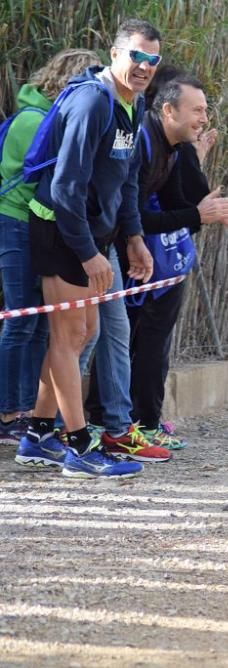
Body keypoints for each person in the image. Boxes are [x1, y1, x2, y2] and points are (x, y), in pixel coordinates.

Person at [16, 19, 159, 478]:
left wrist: (133, 238)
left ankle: (38, 435)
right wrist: (87, 252)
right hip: (60, 231)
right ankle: (77, 446)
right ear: (116, 53)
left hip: (93, 236)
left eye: (152, 60)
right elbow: (65, 188)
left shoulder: (131, 105)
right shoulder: (92, 101)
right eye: (136, 56)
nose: (144, 67)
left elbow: (128, 179)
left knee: (84, 333)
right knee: (69, 336)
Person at [87, 71, 228, 449]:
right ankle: (100, 423)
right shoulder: (140, 142)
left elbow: (186, 205)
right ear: (167, 109)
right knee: (106, 339)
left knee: (137, 341)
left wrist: (208, 206)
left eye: (206, 110)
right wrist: (199, 215)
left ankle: (130, 422)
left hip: (148, 257)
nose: (205, 118)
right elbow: (135, 215)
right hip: (113, 253)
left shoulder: (175, 149)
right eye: (198, 110)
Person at [0, 49, 101, 448]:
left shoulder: (55, 118)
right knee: (22, 317)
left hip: (40, 225)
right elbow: (45, 177)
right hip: (16, 222)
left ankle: (33, 411)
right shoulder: (33, 120)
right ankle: (10, 412)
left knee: (43, 322)